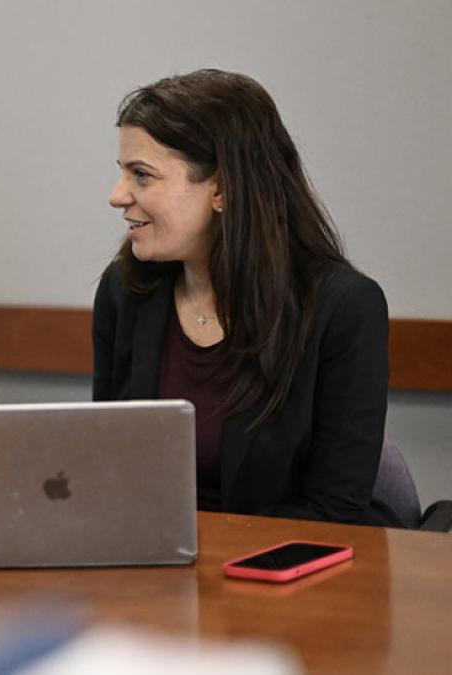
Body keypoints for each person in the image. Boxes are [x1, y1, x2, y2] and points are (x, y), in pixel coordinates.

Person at [92, 69, 398, 526]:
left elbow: (334, 510)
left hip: (279, 575)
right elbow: (105, 472)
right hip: (151, 571)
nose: (117, 196)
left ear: (222, 189)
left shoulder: (342, 309)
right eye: (122, 173)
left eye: (142, 175)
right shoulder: (125, 291)